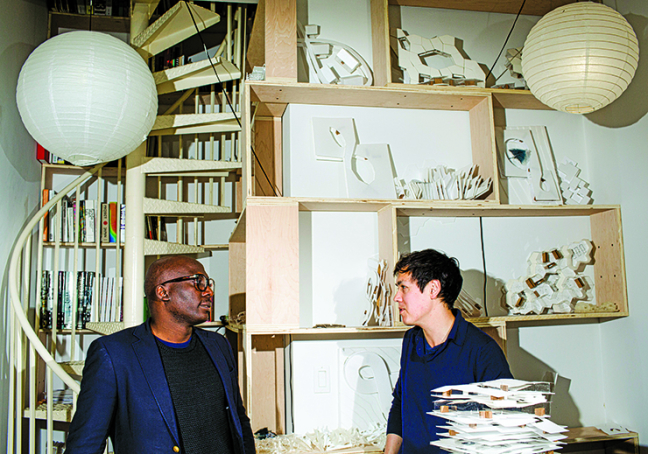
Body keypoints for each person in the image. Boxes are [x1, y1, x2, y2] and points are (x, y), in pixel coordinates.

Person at [65, 255, 255, 454]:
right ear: (163, 292)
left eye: (208, 284)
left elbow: (238, 420)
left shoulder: (218, 344)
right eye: (198, 282)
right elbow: (85, 445)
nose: (209, 291)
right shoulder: (113, 354)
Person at [384, 249, 512, 454]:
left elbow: (504, 426)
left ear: (433, 288)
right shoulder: (411, 340)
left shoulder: (482, 351)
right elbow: (401, 402)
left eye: (404, 288)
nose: (396, 297)